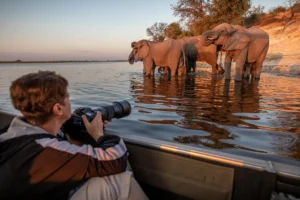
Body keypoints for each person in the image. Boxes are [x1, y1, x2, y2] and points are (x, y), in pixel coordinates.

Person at [0, 70, 148, 200]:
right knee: (121, 181)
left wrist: (75, 126)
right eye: (68, 97)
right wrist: (98, 134)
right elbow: (116, 158)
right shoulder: (44, 150)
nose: (70, 101)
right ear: (58, 108)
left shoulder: (11, 132)